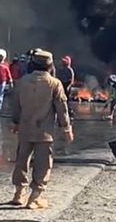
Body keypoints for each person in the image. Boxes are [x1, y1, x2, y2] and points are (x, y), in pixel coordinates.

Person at [8, 49, 74, 210]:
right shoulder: (54, 83)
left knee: (22, 160)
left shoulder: (22, 82)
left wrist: (16, 123)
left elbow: (15, 105)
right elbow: (62, 108)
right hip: (44, 132)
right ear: (50, 66)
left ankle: (18, 193)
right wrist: (66, 128)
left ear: (32, 64)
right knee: (43, 164)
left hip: (25, 128)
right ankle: (35, 197)